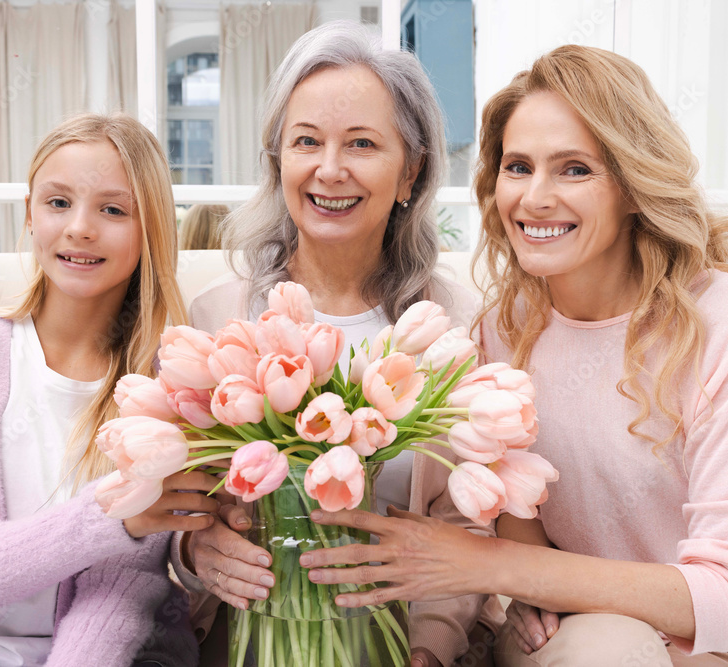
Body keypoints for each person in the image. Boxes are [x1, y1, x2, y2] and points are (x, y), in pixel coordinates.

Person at [296, 45, 728, 667]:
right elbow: (516, 510)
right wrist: (527, 588)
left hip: (727, 651)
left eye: (574, 169)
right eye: (518, 167)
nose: (534, 198)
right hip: (564, 642)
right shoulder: (503, 331)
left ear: (632, 185)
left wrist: (502, 566)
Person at [172, 20, 503, 667]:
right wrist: (196, 553)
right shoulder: (217, 315)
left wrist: (427, 652)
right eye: (306, 141)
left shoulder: (456, 324)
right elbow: (178, 510)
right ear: (278, 160)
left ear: (411, 171)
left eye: (361, 143)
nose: (330, 169)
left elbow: (471, 526)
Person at [0, 113, 219, 667]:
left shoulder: (178, 381)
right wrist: (112, 516)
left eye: (113, 209)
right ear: (30, 213)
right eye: (58, 202)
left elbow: (125, 592)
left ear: (151, 228)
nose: (79, 228)